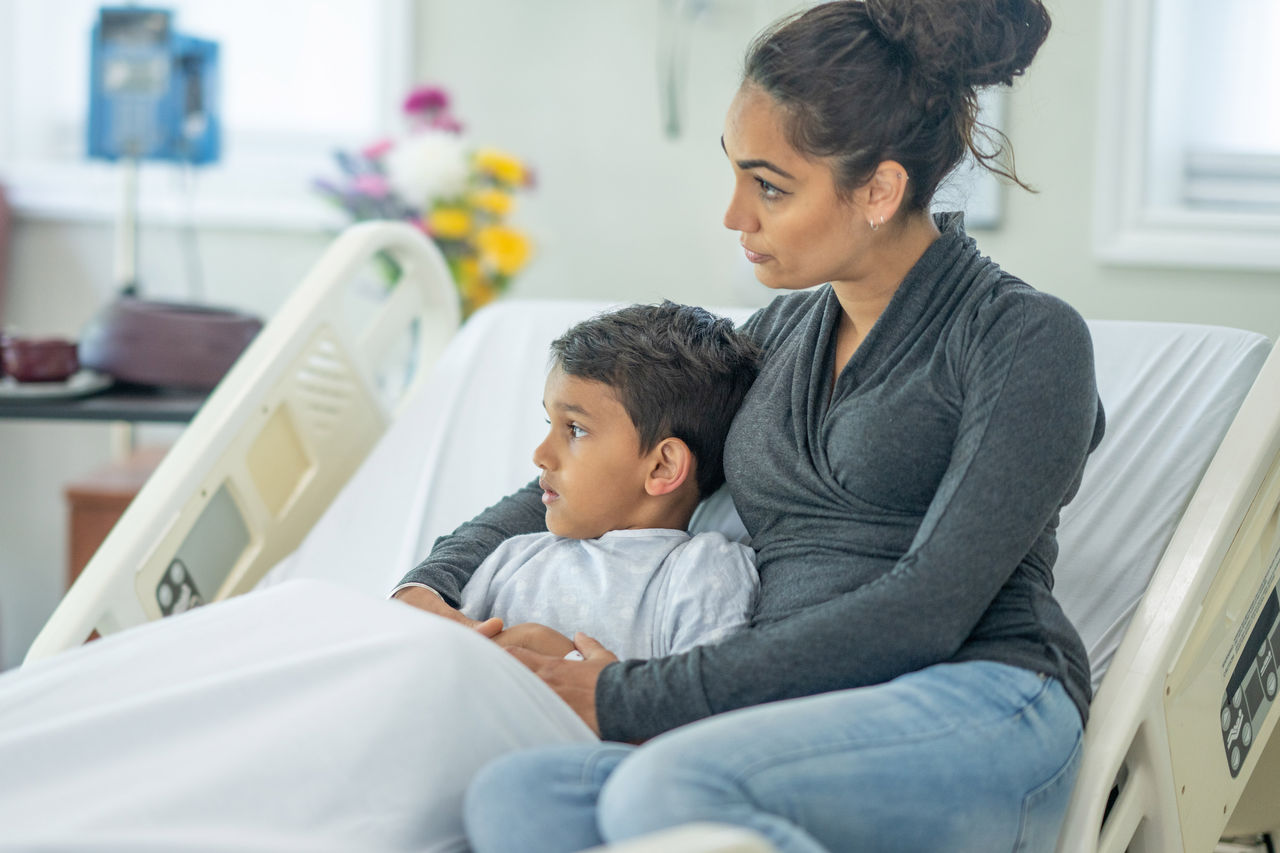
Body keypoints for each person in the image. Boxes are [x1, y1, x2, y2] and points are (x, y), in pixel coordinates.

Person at [398, 1, 1107, 851]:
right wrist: (429, 588)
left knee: (672, 785)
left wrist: (624, 695)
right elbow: (606, 459)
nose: (736, 215)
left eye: (770, 186)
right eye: (737, 175)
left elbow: (929, 608)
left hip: (983, 697)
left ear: (879, 190)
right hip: (795, 714)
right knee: (520, 794)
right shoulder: (775, 338)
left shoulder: (1025, 338)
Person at [394, 300, 762, 661]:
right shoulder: (513, 558)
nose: (540, 455)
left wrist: (569, 662)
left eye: (576, 429)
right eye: (548, 424)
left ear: (662, 467)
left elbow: (701, 701)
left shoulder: (705, 573)